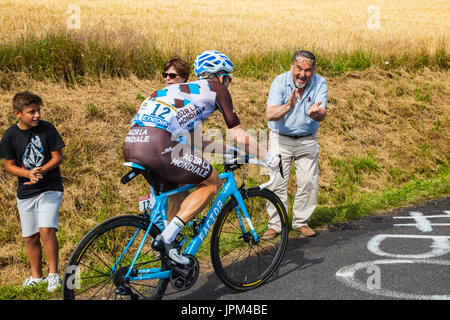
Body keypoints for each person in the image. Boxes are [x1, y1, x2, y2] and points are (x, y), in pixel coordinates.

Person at [123, 50, 280, 264]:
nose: (228, 83)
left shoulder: (178, 92)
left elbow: (197, 141)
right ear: (221, 76)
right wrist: (269, 158)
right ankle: (166, 239)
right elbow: (240, 134)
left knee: (179, 193)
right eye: (228, 78)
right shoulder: (215, 89)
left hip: (132, 143)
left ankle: (170, 254)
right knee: (211, 182)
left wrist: (232, 152)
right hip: (158, 143)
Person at [0, 91, 65, 291]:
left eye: (38, 110)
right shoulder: (10, 135)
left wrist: (42, 170)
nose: (37, 115)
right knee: (30, 237)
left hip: (50, 188)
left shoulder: (47, 129)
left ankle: (54, 276)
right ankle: (37, 277)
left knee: (46, 230)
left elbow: (57, 157)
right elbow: (9, 166)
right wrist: (27, 174)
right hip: (26, 192)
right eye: (31, 112)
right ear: (17, 113)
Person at [263, 51, 328, 239]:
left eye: (308, 70)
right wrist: (287, 107)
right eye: (299, 68)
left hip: (307, 137)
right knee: (276, 182)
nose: (302, 74)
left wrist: (317, 113)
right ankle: (275, 225)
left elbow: (322, 111)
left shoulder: (320, 82)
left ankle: (301, 222)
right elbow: (270, 114)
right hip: (280, 138)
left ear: (313, 70)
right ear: (292, 66)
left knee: (309, 182)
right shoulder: (279, 82)